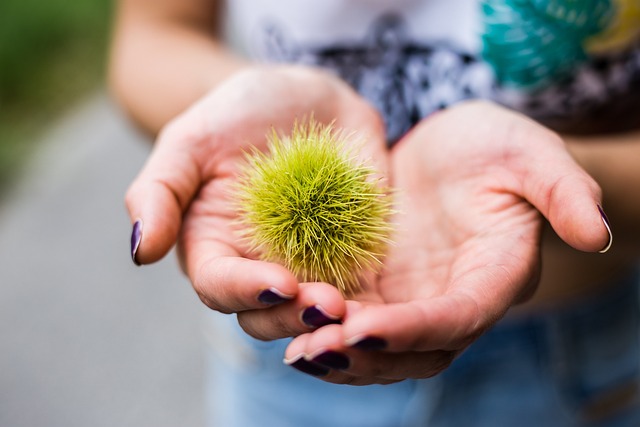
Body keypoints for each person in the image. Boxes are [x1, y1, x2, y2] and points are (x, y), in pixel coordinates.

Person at [109, 0, 640, 425]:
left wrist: (567, 176)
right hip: (292, 358)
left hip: (592, 356)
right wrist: (226, 99)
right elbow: (155, 35)